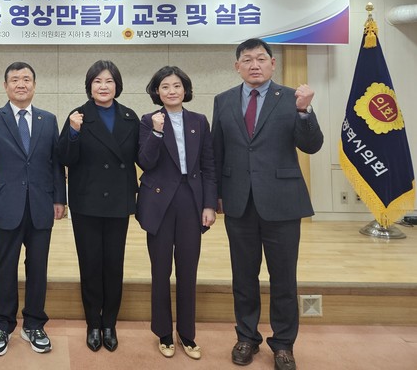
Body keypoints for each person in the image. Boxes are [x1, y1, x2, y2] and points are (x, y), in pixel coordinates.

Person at [211, 38, 323, 370]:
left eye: (261, 58)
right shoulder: (223, 100)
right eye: (247, 59)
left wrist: (304, 111)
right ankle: (246, 337)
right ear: (237, 67)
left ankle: (284, 344)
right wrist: (215, 196)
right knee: (243, 276)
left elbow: (311, 145)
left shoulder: (292, 98)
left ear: (273, 64)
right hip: (239, 202)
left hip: (282, 202)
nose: (254, 65)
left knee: (283, 278)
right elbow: (217, 151)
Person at [0, 61, 66, 356]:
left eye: (26, 79)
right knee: (5, 266)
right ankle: (2, 323)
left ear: (34, 85)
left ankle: (34, 323)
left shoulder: (48, 119)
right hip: (6, 203)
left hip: (40, 204)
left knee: (38, 267)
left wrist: (60, 199)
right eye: (14, 80)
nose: (21, 84)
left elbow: (55, 163)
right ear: (5, 86)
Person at [57, 60, 139, 353]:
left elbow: (143, 157)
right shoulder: (77, 116)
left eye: (109, 81)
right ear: (89, 86)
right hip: (87, 202)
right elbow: (64, 158)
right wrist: (73, 132)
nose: (103, 87)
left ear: (117, 85)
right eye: (97, 81)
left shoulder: (130, 117)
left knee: (114, 264)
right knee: (90, 263)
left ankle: (109, 323)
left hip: (118, 201)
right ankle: (93, 322)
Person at [136, 66, 217, 361]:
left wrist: (209, 204)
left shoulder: (199, 121)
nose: (172, 91)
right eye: (165, 87)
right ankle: (164, 333)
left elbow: (208, 165)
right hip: (159, 201)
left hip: (190, 199)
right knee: (160, 269)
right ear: (157, 92)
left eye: (177, 86)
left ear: (185, 89)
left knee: (188, 269)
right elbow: (145, 161)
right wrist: (157, 132)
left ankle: (187, 333)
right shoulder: (148, 120)